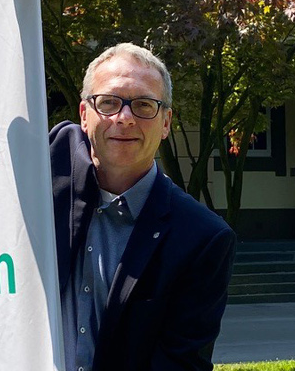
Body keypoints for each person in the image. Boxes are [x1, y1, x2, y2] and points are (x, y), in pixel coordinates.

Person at [49, 43, 237, 371]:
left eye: (143, 105)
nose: (124, 118)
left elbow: (179, 364)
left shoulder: (202, 240)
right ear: (84, 114)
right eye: (108, 102)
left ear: (166, 123)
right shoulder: (43, 180)